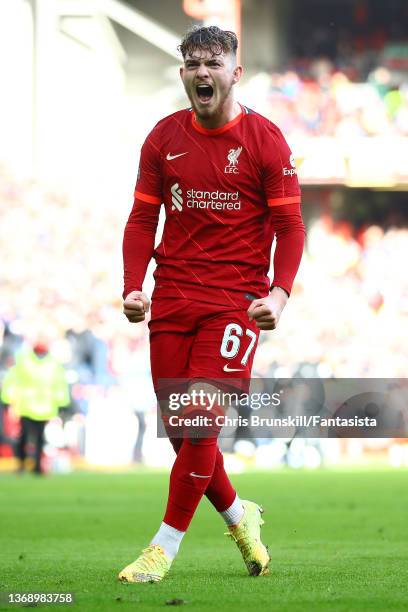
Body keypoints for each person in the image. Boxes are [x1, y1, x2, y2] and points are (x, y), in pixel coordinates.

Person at [119, 26, 305, 583]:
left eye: (214, 63)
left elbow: (290, 226)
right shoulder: (163, 138)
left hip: (235, 304)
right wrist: (134, 283)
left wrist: (279, 292)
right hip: (173, 297)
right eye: (193, 63)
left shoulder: (265, 141)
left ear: (235, 73)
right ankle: (238, 514)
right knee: (182, 432)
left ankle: (162, 549)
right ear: (182, 73)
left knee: (199, 423)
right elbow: (141, 218)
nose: (203, 73)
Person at [1, 342, 70, 474]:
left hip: (42, 407)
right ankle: (22, 464)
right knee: (25, 436)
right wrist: (7, 400)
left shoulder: (51, 364)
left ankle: (35, 466)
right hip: (28, 406)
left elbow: (60, 384)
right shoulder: (25, 362)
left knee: (38, 438)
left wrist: (62, 403)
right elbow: (12, 380)